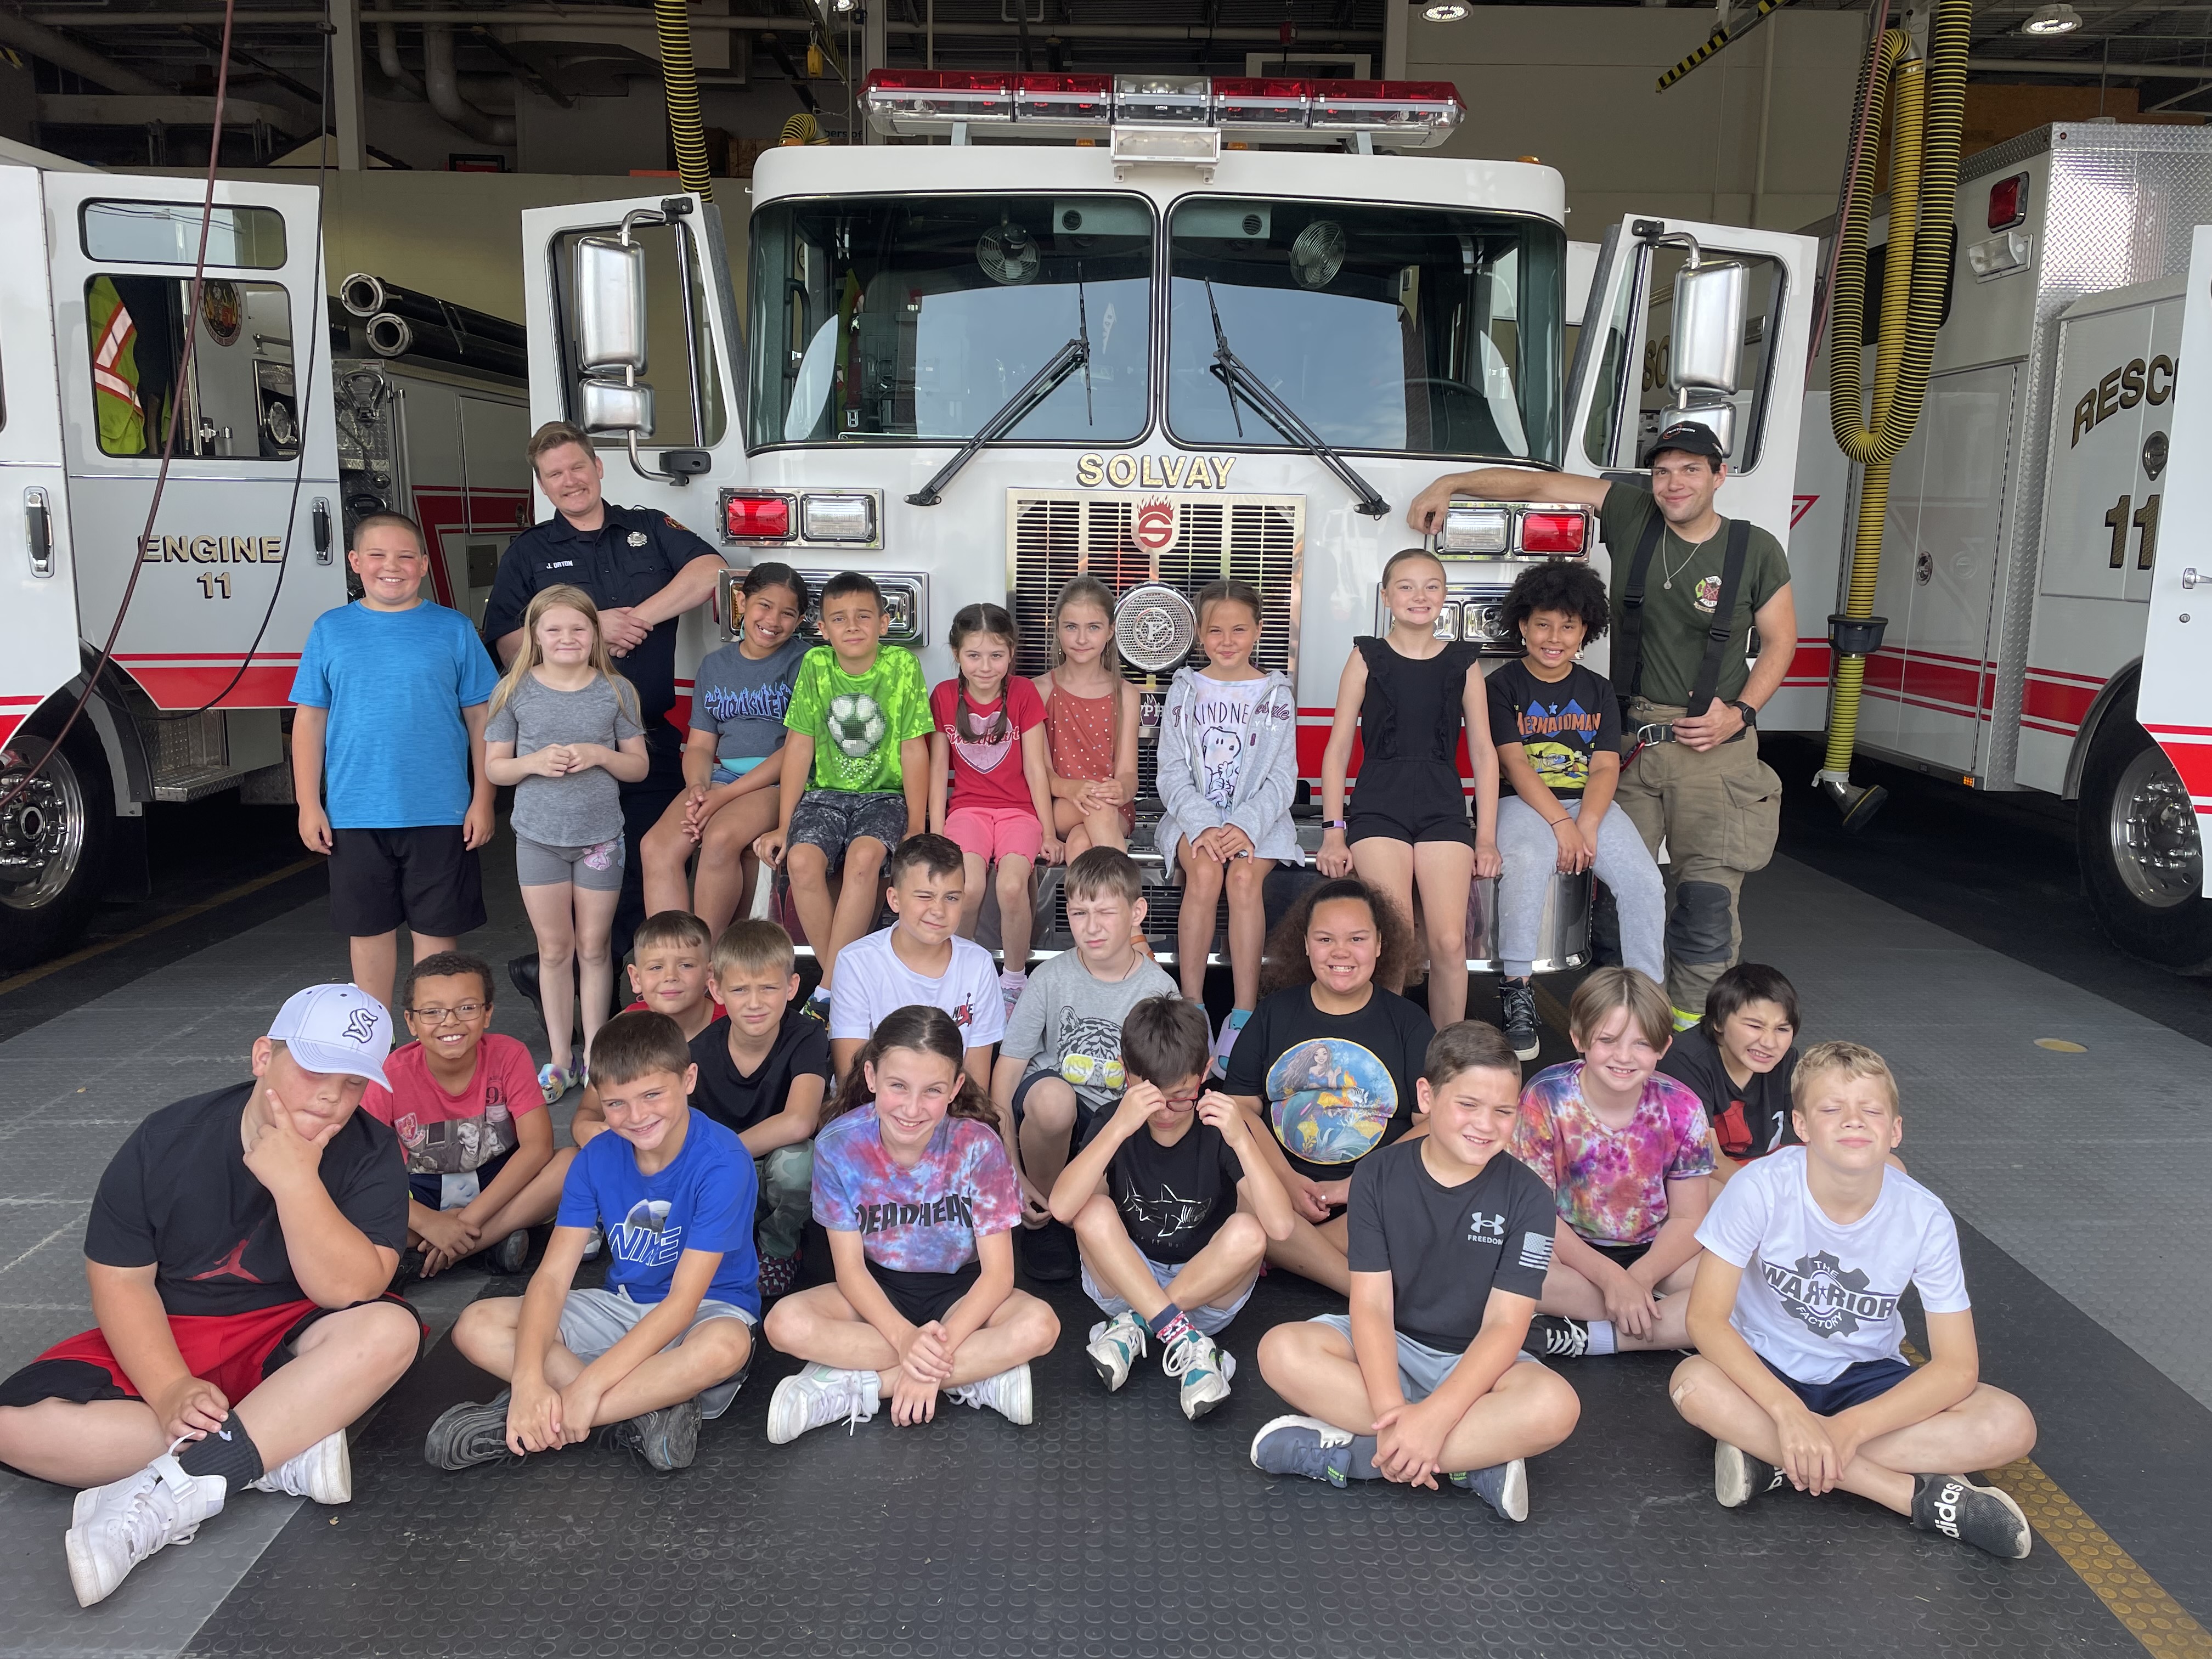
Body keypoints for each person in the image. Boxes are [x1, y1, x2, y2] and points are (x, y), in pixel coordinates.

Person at [0, 985, 420, 1607]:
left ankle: (177, 1490)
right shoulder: (166, 1139)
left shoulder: (371, 1149)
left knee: (390, 1333)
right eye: (312, 1069)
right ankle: (276, 1445)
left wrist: (297, 1181)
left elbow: (351, 1289)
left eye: (354, 1082)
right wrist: (169, 1386)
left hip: (292, 1331)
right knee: (11, 1428)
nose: (333, 1095)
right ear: (261, 1057)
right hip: (173, 1329)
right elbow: (120, 1280)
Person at [1409, 421, 1796, 1026]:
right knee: (1614, 903)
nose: (1674, 483)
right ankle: (1620, 1026)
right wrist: (1453, 482)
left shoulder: (1756, 548)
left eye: (1691, 470)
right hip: (1629, 741)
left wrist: (1740, 713)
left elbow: (1780, 641)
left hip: (1713, 744)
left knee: (1705, 901)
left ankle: (1691, 1034)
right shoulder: (1631, 512)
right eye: (1663, 471)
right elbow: (1536, 488)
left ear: (1720, 476)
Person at [1669, 1041, 2039, 1559]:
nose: (1853, 1121)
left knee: (2011, 1424)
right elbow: (1705, 1319)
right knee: (1692, 1385)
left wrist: (1848, 1429)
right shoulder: (1758, 1187)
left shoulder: (1925, 1217)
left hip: (1865, 1376)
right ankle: (1913, 1498)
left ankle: (1776, 1462)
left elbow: (1958, 1368)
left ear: (1896, 1131)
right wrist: (1786, 1411)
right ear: (1800, 1126)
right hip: (1767, 1369)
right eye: (1831, 1109)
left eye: (1871, 1110)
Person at [1249, 1022, 1579, 1521]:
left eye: (1503, 1111)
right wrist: (1392, 1408)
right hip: (1393, 1347)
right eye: (1468, 1105)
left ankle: (1353, 1458)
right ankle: (1472, 1464)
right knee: (1280, 1351)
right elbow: (1373, 1304)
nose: (1485, 1125)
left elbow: (1505, 1325)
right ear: (1426, 1096)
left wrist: (1436, 1417)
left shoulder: (1530, 1197)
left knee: (1556, 1406)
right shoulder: (1378, 1176)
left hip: (1480, 1364)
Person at [424, 1011, 760, 1476]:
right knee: (476, 1323)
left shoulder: (723, 1161)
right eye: (617, 1104)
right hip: (623, 1306)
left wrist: (586, 1388)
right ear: (598, 1098)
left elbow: (684, 1303)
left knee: (727, 1347)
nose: (637, 1117)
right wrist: (525, 1384)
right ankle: (641, 1413)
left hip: (705, 1310)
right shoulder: (596, 1157)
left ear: (688, 1079)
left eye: (652, 1095)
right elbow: (552, 1279)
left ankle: (532, 1426)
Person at [485, 422, 727, 990]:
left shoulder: (648, 529)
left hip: (644, 740)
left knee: (647, 873)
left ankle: (644, 997)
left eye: (576, 467)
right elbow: (507, 642)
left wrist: (637, 617)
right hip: (563, 756)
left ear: (599, 468)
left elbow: (712, 571)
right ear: (544, 487)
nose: (568, 481)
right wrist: (596, 630)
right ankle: (574, 990)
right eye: (554, 475)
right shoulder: (530, 553)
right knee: (571, 880)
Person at [761, 1006, 1060, 1442]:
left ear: (957, 1086)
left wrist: (924, 1364)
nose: (913, 1108)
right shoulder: (838, 1145)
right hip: (875, 1294)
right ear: (871, 1077)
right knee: (783, 1324)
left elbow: (999, 1276)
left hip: (962, 1293)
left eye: (933, 1090)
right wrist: (904, 1339)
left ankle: (858, 1389)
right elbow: (849, 1270)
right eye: (898, 1086)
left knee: (1042, 1325)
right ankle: (976, 1377)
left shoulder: (979, 1145)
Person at [290, 511, 498, 1013]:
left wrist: (484, 799)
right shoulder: (331, 630)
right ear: (355, 562)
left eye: (406, 556)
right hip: (354, 815)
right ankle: (376, 1044)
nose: (393, 566)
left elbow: (482, 719)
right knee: (368, 933)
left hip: (440, 811)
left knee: (436, 939)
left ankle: (432, 1042)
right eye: (378, 555)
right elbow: (310, 722)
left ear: (424, 565)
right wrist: (307, 805)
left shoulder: (453, 629)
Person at [1049, 995, 1294, 1420]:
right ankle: (1185, 1341)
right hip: (1125, 1283)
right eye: (1150, 1098)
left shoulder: (1219, 1126)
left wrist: (1241, 1139)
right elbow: (1062, 1208)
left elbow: (1281, 1226)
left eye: (1181, 1096)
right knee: (1091, 1211)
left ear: (1204, 1075)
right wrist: (1119, 1127)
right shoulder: (1116, 1119)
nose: (1165, 1112)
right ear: (1127, 1077)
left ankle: (1140, 1329)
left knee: (1250, 1232)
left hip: (1204, 1291)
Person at [1220, 878, 1435, 1296]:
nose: (1341, 952)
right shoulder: (1274, 1014)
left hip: (1374, 1196)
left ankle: (1288, 1252)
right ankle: (1362, 1289)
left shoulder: (1410, 1024)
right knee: (1247, 1202)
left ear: (1379, 945)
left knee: (1415, 1196)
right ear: (1305, 945)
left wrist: (1352, 1187)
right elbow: (1238, 1111)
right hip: (1278, 1189)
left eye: (1357, 938)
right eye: (1325, 939)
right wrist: (1284, 1180)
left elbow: (1431, 1125)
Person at [1487, 560, 1666, 1059]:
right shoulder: (1501, 686)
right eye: (1543, 624)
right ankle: (1518, 989)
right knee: (1526, 862)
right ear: (1522, 625)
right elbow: (1516, 765)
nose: (1554, 637)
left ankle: (1647, 1000)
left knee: (1644, 880)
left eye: (1568, 626)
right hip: (1522, 803)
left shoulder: (1597, 688)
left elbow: (1606, 767)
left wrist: (1586, 823)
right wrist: (1563, 825)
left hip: (1590, 804)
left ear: (1586, 630)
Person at [1317, 546, 1499, 1029]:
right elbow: (1336, 750)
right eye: (1406, 586)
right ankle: (1388, 1051)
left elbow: (1483, 752)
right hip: (1379, 807)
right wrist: (1334, 831)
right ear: (1386, 596)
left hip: (1443, 807)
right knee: (1393, 943)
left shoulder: (1464, 662)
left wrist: (1485, 838)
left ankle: (1448, 1053)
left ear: (1444, 596)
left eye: (1431, 586)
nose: (1419, 596)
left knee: (1449, 942)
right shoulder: (1366, 656)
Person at [484, 585, 651, 1103]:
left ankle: (599, 1054)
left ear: (595, 634)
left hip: (601, 838)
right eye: (553, 629)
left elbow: (639, 766)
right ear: (535, 635)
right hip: (537, 839)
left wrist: (598, 755)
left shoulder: (616, 691)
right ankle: (560, 1058)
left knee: (595, 947)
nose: (567, 638)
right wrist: (533, 763)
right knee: (554, 949)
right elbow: (495, 767)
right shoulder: (513, 691)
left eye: (578, 628)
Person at [992, 846, 1178, 1282]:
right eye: (1078, 913)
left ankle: (1098, 1212)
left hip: (1116, 1122)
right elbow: (1003, 1081)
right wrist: (1011, 1170)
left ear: (1137, 913)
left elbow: (1169, 1087)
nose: (1090, 928)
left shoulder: (1159, 989)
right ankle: (1046, 1216)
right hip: (1052, 1129)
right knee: (1055, 1100)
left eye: (1106, 913)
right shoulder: (1049, 978)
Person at [757, 571, 933, 1020]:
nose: (852, 626)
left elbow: (914, 748)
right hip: (826, 795)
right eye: (839, 618)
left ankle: (830, 991)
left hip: (884, 797)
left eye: (863, 616)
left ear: (884, 623)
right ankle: (850, 984)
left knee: (863, 860)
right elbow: (799, 745)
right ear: (822, 628)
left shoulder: (902, 667)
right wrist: (783, 823)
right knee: (800, 862)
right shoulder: (816, 666)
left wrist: (917, 823)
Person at [1512, 967, 1714, 1359]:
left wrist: (1639, 1277)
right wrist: (1610, 1279)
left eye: (1641, 1044)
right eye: (1608, 1040)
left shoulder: (1683, 1106)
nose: (1624, 1057)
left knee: (1741, 1287)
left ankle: (1596, 1337)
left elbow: (1689, 1219)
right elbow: (1536, 1214)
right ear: (1579, 1039)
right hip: (1567, 1247)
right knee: (1511, 1267)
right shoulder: (1546, 1096)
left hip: (1654, 1252)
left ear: (1663, 1048)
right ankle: (1658, 1319)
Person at [1155, 578, 1305, 1075]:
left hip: (1258, 822)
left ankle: (1243, 1015)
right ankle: (1193, 1008)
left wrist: (1243, 825)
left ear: (1258, 631)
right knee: (1203, 875)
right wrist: (1201, 825)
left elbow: (1285, 777)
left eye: (1239, 629)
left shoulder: (1276, 695)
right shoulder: (1185, 690)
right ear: (1199, 634)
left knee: (1242, 879)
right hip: (1193, 819)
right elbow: (1171, 769)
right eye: (1215, 630)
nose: (1227, 640)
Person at [639, 563, 812, 939]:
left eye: (788, 613)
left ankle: (707, 958)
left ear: (800, 620)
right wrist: (699, 790)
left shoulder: (807, 664)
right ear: (742, 602)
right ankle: (672, 956)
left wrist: (724, 797)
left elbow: (799, 749)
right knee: (656, 846)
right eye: (764, 606)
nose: (773, 620)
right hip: (720, 780)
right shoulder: (715, 665)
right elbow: (701, 744)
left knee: (718, 839)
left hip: (780, 783)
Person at [362, 951, 554, 1280]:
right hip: (418, 1191)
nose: (450, 1022)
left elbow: (538, 1147)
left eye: (467, 1008)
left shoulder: (509, 1055)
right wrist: (428, 1222)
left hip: (496, 1184)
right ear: (410, 1022)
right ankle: (490, 1243)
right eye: (432, 1012)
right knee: (351, 1213)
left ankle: (448, 1252)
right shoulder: (386, 1074)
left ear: (488, 1013)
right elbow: (363, 1172)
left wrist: (466, 1223)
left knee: (571, 1166)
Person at [929, 602, 1061, 1018]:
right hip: (967, 811)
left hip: (1018, 813)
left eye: (996, 655)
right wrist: (936, 832)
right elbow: (937, 770)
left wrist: (1050, 831)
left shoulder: (1022, 694)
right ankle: (961, 974)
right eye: (974, 655)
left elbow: (1036, 768)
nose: (985, 667)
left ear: (1011, 654)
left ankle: (1014, 979)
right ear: (956, 655)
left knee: (1009, 887)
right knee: (967, 889)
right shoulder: (946, 696)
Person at [688, 918, 832, 1300]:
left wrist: (724, 1153)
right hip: (727, 1174)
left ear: (792, 987)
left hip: (766, 1166)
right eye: (740, 990)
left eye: (769, 988)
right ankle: (727, 1248)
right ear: (716, 990)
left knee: (798, 1161)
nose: (755, 1003)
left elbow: (800, 1121)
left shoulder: (807, 1036)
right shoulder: (699, 1053)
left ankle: (779, 1249)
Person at [828, 833, 1006, 1091]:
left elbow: (975, 1083)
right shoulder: (856, 962)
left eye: (952, 898)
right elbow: (851, 1078)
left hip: (951, 1109)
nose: (938, 910)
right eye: (925, 896)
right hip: (871, 1111)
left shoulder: (978, 964)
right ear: (894, 899)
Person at [556, 910, 728, 1150]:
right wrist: (584, 1128)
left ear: (710, 974)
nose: (670, 977)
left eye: (686, 965)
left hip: (713, 1154)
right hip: (639, 1153)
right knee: (568, 1160)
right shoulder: (625, 1026)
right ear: (635, 978)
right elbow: (590, 1109)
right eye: (656, 967)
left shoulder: (732, 1026)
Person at [1658, 961, 1801, 1184]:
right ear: (1718, 1022)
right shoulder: (1685, 1061)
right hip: (1698, 1172)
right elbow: (1706, 1157)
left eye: (1782, 1029)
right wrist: (1770, 1198)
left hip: (1758, 1169)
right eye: (1755, 1026)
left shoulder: (1786, 1061)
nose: (1769, 1042)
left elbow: (1817, 1130)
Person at [1034, 574, 1141, 859]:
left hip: (1113, 808)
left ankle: (1088, 905)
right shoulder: (1040, 690)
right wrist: (1073, 788)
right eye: (1071, 627)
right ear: (1057, 629)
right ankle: (1127, 897)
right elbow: (1041, 772)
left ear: (1110, 631)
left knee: (1082, 843)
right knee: (1097, 807)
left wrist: (1123, 789)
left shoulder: (1126, 694)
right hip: (1061, 803)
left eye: (1093, 627)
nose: (1082, 639)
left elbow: (1129, 773)